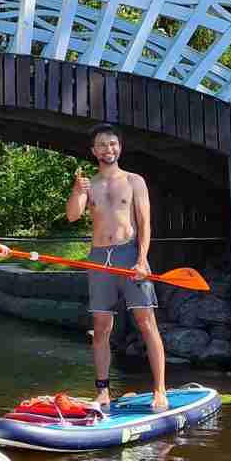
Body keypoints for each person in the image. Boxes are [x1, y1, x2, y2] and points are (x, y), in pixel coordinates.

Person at [66, 123, 169, 413]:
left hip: (130, 256)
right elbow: (73, 215)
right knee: (100, 328)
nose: (107, 149)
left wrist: (141, 259)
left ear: (119, 148)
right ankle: (102, 392)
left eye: (112, 144)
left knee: (146, 322)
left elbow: (145, 223)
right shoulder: (89, 183)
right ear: (93, 150)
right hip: (99, 258)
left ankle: (159, 389)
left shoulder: (135, 181)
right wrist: (77, 190)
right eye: (102, 144)